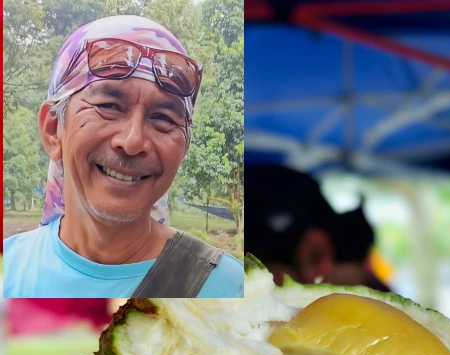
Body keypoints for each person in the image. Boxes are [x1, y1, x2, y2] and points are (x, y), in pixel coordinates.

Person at [2, 16, 243, 299]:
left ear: (183, 148)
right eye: (108, 106)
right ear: (54, 129)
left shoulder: (227, 288)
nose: (132, 142)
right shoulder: (10, 273)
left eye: (163, 118)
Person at [247, 164, 391, 292]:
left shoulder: (297, 260)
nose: (311, 286)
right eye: (326, 283)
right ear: (320, 253)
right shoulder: (292, 194)